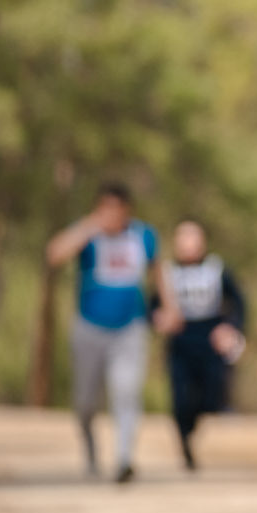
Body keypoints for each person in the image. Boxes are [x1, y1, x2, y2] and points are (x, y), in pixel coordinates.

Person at [45, 183, 174, 483]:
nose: (112, 216)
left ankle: (124, 459)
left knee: (126, 392)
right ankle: (91, 451)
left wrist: (170, 308)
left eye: (118, 210)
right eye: (106, 209)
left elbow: (159, 273)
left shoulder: (143, 236)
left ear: (128, 210)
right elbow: (54, 254)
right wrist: (88, 227)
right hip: (88, 326)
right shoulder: (88, 235)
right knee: (85, 402)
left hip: (131, 327)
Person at [160, 220, 249, 472]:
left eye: (194, 238)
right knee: (180, 398)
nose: (189, 245)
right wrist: (159, 318)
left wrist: (231, 328)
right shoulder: (167, 273)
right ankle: (184, 438)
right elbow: (152, 305)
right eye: (184, 238)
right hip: (180, 341)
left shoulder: (216, 269)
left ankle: (191, 427)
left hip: (210, 340)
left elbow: (239, 302)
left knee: (211, 397)